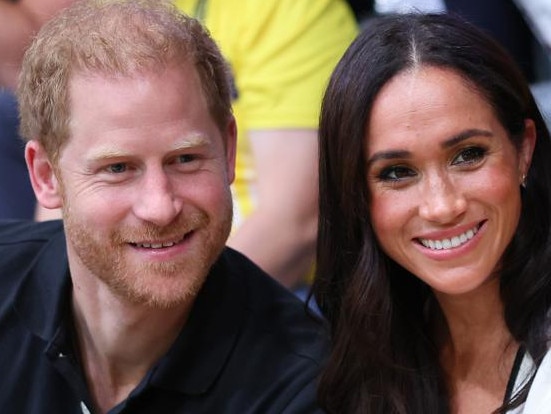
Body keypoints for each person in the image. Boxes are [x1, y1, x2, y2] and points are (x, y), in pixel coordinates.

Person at [0, 0, 328, 412]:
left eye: (186, 159)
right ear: (46, 177)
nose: (161, 207)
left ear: (228, 149)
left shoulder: (309, 390)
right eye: (118, 168)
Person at [313, 12, 551, 413]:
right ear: (353, 193)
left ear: (523, 150)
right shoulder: (360, 355)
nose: (442, 206)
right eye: (397, 172)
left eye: (468, 155)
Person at [173, 0, 358, 289]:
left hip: (271, 284)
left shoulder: (289, 8)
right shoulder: (109, 13)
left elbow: (294, 226)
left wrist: (166, 321)